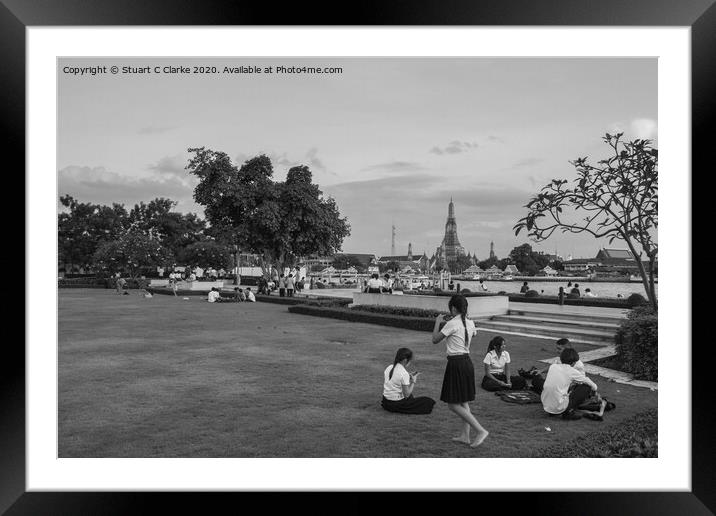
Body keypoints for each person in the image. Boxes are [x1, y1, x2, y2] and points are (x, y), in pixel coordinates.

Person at [431, 294, 489, 448]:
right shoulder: (470, 323)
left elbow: (435, 339)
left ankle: (480, 430)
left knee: (452, 404)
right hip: (466, 362)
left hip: (457, 364)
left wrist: (437, 322)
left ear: (454, 308)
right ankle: (465, 436)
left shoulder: (452, 323)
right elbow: (473, 335)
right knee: (463, 401)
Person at [540, 347, 604, 420]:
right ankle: (568, 412)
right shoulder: (571, 371)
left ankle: (555, 411)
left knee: (562, 390)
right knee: (586, 387)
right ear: (574, 362)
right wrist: (595, 389)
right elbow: (588, 382)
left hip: (546, 404)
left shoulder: (553, 366)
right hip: (559, 406)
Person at [381, 348, 436, 414]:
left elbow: (394, 379)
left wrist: (408, 376)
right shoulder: (403, 373)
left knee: (411, 397)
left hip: (385, 401)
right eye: (410, 360)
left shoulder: (389, 367)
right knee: (428, 401)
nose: (410, 362)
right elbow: (406, 395)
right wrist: (413, 382)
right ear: (405, 360)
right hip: (395, 404)